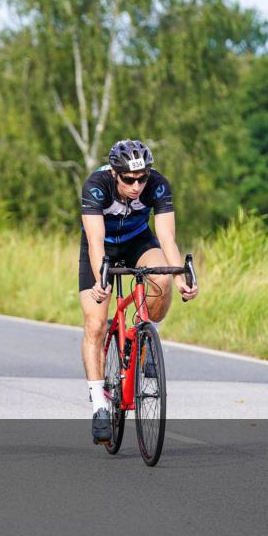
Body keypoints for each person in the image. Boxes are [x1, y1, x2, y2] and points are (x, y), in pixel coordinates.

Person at [79, 139, 198, 444]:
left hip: (137, 242)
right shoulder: (96, 185)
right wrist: (100, 280)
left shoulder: (157, 185)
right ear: (115, 174)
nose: (137, 186)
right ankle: (100, 405)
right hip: (101, 248)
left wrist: (181, 275)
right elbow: (94, 241)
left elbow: (167, 237)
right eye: (130, 180)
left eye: (142, 178)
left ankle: (144, 337)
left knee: (163, 279)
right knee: (95, 324)